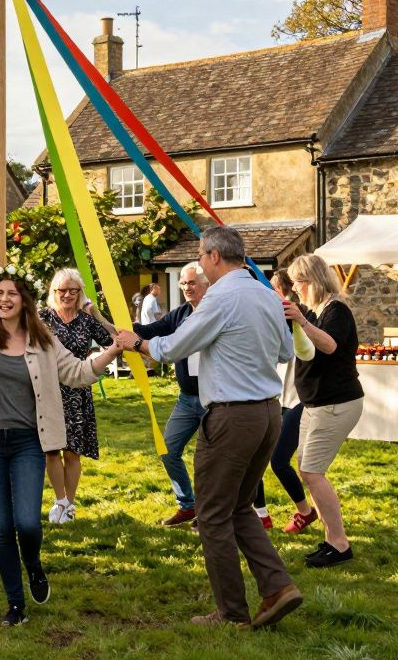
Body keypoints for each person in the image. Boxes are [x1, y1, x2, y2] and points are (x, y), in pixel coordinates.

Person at [115, 227, 301, 629]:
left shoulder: (221, 296)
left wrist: (135, 342)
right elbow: (287, 351)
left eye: (201, 255)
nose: (199, 262)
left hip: (232, 416)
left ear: (215, 256)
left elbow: (171, 348)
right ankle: (278, 587)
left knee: (213, 514)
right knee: (238, 506)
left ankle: (232, 614)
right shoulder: (266, 294)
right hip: (269, 413)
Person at [0, 249, 124, 628]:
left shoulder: (44, 339)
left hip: (26, 443)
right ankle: (15, 605)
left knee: (28, 524)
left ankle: (34, 564)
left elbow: (79, 372)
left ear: (25, 299)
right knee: (1, 527)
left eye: (12, 293)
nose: (4, 299)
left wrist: (114, 350)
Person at [283, 255, 363, 569]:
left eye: (297, 283)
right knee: (309, 471)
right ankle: (331, 539)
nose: (295, 289)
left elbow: (329, 346)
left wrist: (302, 322)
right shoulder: (315, 310)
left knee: (312, 473)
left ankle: (339, 544)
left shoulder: (336, 310)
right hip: (316, 405)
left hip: (336, 403)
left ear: (312, 281)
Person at [133, 262, 207, 529]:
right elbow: (146, 332)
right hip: (187, 399)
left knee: (207, 461)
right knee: (168, 449)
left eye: (192, 283)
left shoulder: (215, 312)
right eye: (183, 283)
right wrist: (108, 320)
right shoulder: (180, 314)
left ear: (206, 284)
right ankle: (187, 506)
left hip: (216, 400)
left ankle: (211, 514)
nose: (187, 288)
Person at [39, 268, 113, 524]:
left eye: (74, 290)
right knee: (51, 449)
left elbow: (114, 341)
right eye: (62, 290)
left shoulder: (86, 319)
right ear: (54, 292)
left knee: (72, 452)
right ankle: (58, 501)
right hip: (49, 390)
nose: (68, 295)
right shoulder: (42, 318)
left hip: (78, 391)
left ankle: (69, 504)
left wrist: (96, 313)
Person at [268, 269, 318, 535]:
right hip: (281, 396)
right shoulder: (281, 312)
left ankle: (306, 512)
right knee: (288, 462)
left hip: (300, 398)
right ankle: (305, 510)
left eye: (273, 288)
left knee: (280, 461)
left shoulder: (296, 313)